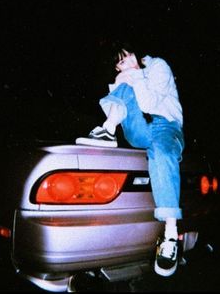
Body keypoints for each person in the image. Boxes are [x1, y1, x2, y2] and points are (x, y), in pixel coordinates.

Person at [76, 42, 185, 277]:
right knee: (122, 90)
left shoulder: (158, 65)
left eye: (129, 55)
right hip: (140, 129)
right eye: (122, 62)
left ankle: (170, 236)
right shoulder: (125, 76)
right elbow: (122, 99)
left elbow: (150, 103)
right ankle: (108, 129)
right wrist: (125, 80)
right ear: (117, 67)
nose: (128, 61)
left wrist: (133, 74)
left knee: (161, 151)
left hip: (166, 125)